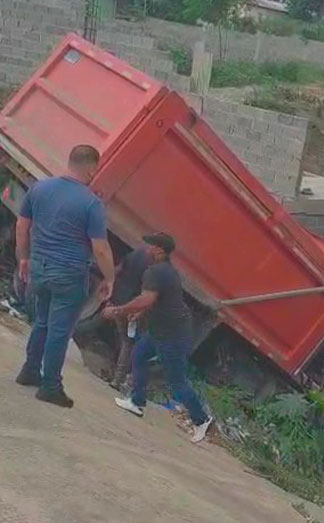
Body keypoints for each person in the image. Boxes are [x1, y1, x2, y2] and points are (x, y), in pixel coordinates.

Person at [15, 144, 115, 408]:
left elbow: (22, 226)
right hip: (68, 274)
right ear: (92, 168)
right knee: (59, 331)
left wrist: (24, 258)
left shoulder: (40, 188)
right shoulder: (91, 203)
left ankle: (29, 370)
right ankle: (50, 386)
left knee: (42, 322)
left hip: (40, 267)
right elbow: (101, 249)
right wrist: (110, 278)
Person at [103, 233, 213, 444]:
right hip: (162, 329)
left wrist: (118, 311)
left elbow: (146, 299)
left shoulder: (156, 272)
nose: (146, 248)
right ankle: (137, 402)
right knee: (138, 355)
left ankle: (202, 419)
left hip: (173, 334)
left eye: (150, 245)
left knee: (177, 382)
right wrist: (141, 314)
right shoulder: (166, 271)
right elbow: (159, 301)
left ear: (159, 251)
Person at [108, 246, 150, 389]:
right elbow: (147, 293)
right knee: (131, 343)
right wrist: (139, 312)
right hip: (132, 306)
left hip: (119, 299)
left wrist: (108, 287)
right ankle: (120, 380)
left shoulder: (135, 253)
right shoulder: (153, 267)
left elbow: (118, 269)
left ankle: (117, 377)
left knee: (125, 339)